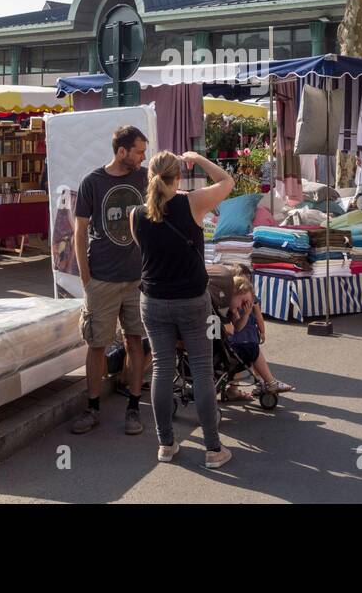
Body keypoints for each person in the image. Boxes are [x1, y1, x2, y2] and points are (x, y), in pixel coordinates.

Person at [130, 149, 234, 468]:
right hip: (191, 299)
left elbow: (143, 248)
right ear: (178, 178)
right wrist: (199, 159)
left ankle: (165, 444)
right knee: (202, 368)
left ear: (150, 178)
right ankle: (213, 449)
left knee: (161, 368)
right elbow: (227, 181)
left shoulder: (136, 214)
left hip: (153, 300)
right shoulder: (192, 203)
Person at [70, 126, 150, 437]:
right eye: (139, 151)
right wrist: (86, 277)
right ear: (121, 151)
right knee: (97, 345)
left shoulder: (143, 179)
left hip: (136, 279)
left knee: (135, 341)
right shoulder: (93, 182)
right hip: (101, 279)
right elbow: (78, 231)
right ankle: (92, 408)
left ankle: (133, 408)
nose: (143, 157)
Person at [222, 273, 294, 399]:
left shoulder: (236, 306)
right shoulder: (224, 310)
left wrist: (261, 329)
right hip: (234, 344)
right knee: (251, 352)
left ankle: (263, 382)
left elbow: (255, 318)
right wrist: (238, 314)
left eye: (248, 302)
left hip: (245, 338)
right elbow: (235, 329)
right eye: (243, 302)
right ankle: (269, 382)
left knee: (251, 355)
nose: (243, 306)